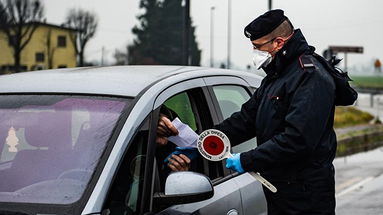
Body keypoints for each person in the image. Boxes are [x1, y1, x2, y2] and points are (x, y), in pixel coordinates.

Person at [157, 9, 339, 215]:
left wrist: (246, 160)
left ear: (278, 43)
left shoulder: (310, 77)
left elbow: (298, 139)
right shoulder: (277, 77)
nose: (255, 53)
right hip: (281, 190)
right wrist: (202, 143)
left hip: (306, 196)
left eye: (258, 47)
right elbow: (245, 120)